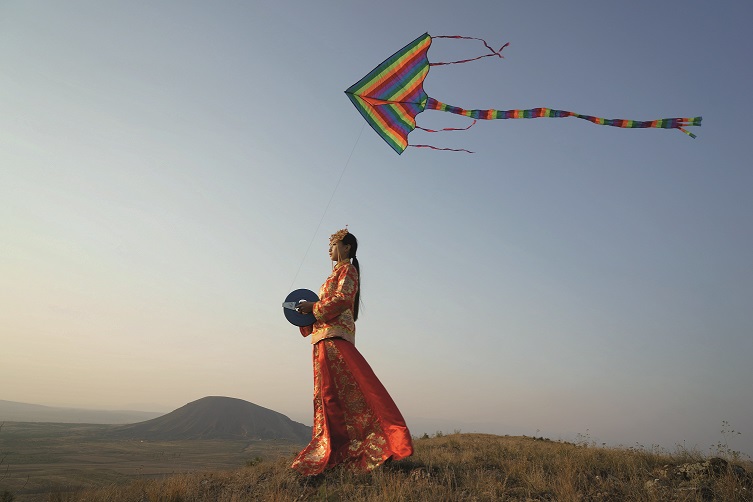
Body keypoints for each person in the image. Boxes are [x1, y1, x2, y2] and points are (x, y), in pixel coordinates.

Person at [291, 228, 413, 475]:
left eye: (334, 244)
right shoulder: (332, 275)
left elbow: (342, 299)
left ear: (346, 248)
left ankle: (379, 441)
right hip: (323, 339)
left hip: (336, 338)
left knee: (352, 391)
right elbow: (326, 306)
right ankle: (337, 447)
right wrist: (306, 314)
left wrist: (313, 306)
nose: (329, 248)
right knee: (329, 396)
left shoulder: (348, 270)